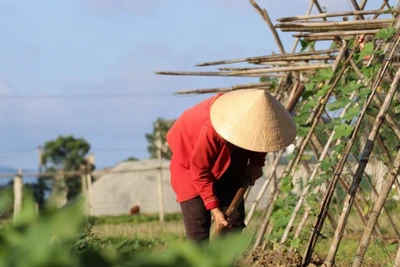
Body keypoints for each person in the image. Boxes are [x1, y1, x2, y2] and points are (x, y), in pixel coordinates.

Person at [166, 89, 296, 242]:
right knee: (198, 229)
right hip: (190, 167)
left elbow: (261, 141)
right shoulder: (213, 129)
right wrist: (215, 210)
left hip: (230, 158)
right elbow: (199, 170)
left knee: (234, 223)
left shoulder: (256, 126)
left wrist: (256, 164)